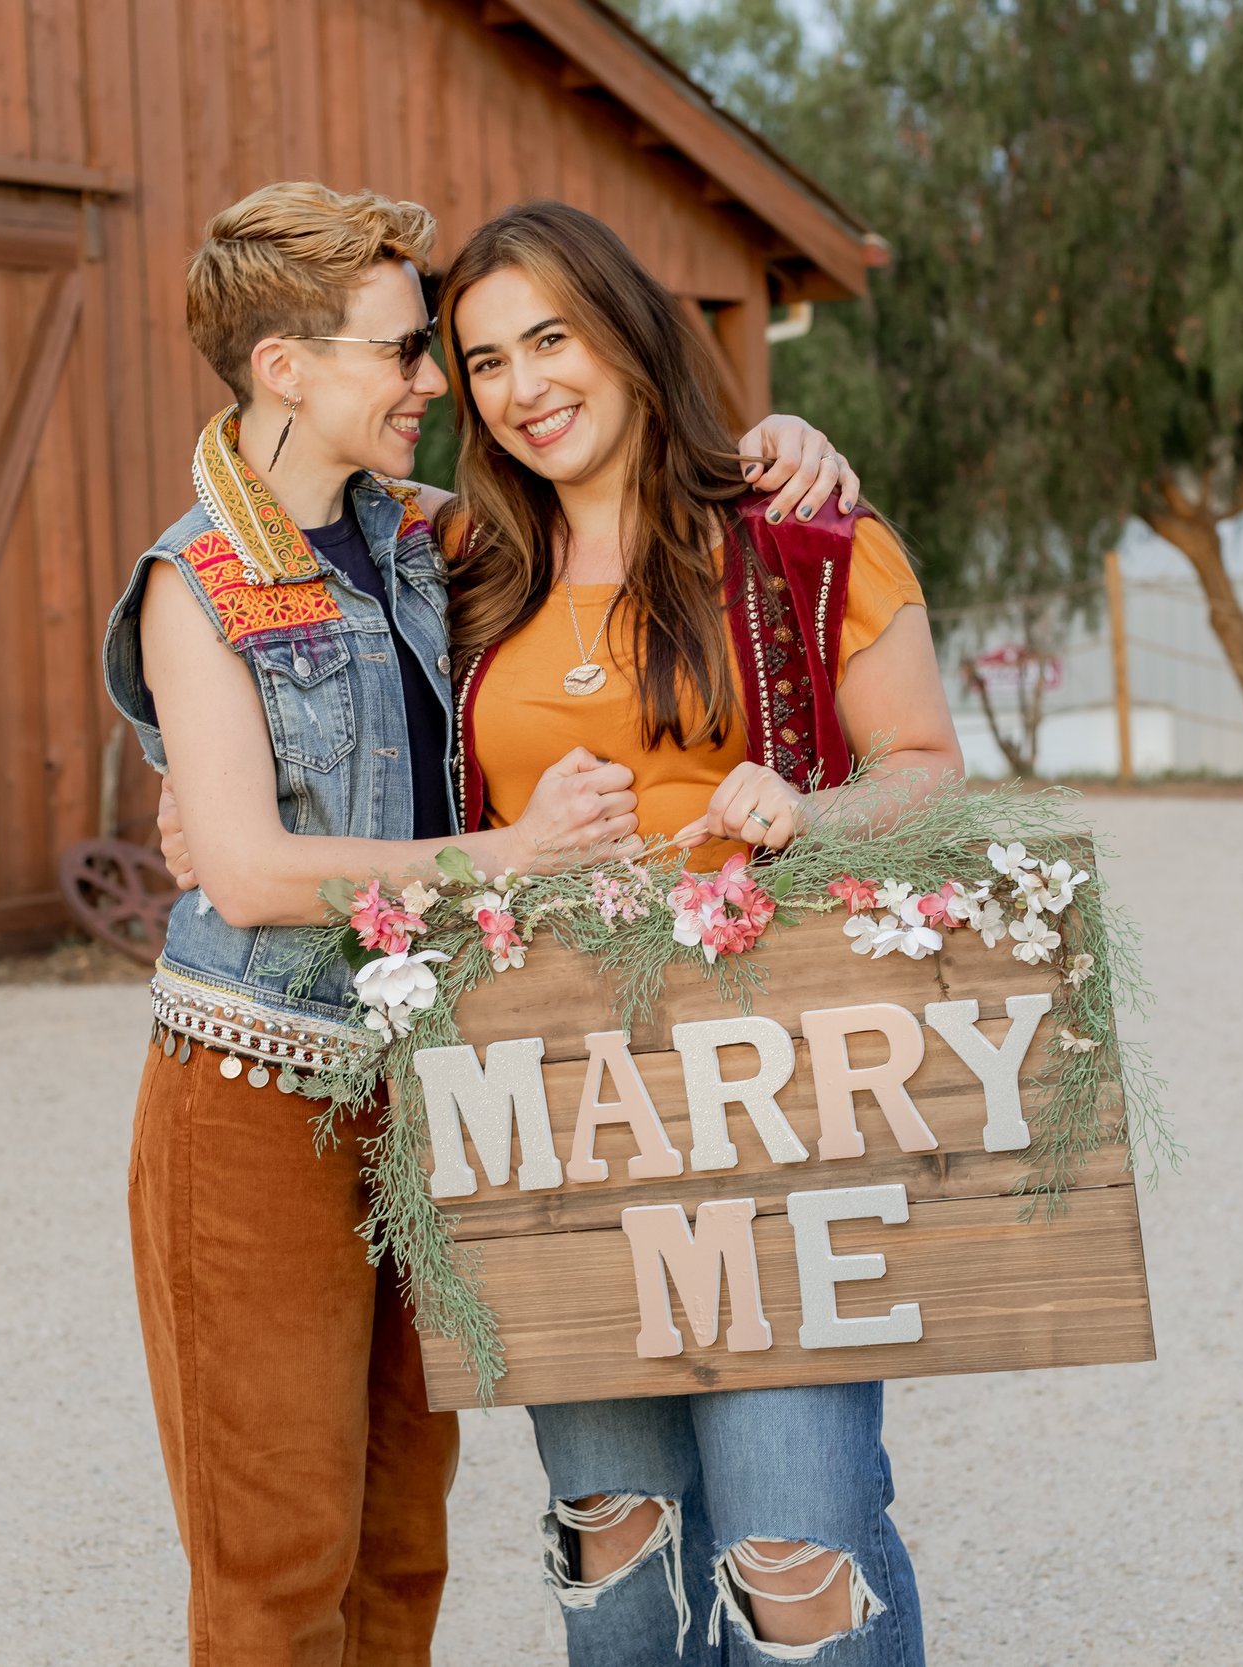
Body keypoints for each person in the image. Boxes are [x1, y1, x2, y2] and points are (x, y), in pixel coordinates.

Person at [102, 179, 862, 1666]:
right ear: (286, 369)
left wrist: (774, 450)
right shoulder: (191, 585)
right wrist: (503, 857)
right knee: (276, 1554)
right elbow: (250, 879)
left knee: (401, 1545)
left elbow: (614, 499)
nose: (437, 383)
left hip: (430, 1088)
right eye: (402, 352)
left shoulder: (432, 543)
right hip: (255, 1090)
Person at [434, 200, 963, 1665]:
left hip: (776, 1094)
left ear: (630, 328)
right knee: (617, 1532)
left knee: (795, 1538)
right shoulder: (462, 572)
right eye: (484, 361)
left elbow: (922, 770)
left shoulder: (801, 534)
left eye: (553, 337)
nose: (525, 385)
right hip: (558, 1108)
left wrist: (806, 811)